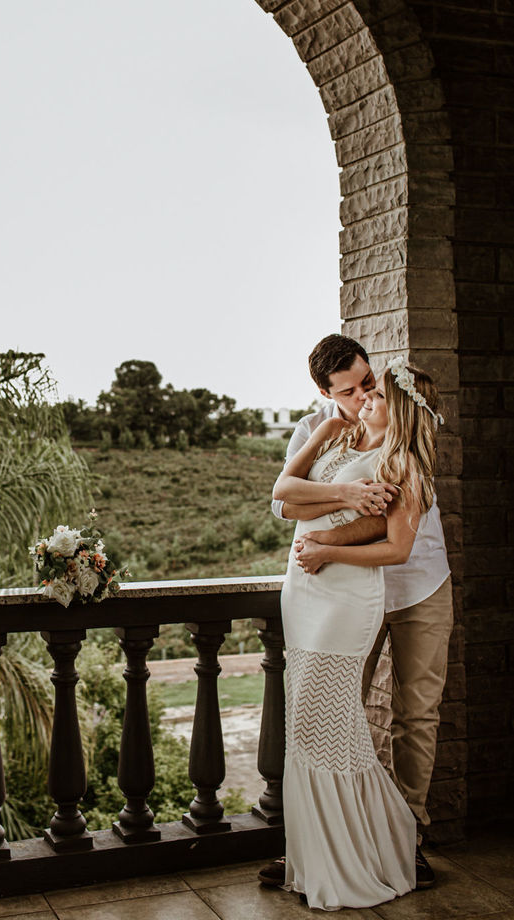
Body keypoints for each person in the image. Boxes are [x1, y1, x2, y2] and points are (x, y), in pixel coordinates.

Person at [260, 336, 452, 896]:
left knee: (416, 714)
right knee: (335, 717)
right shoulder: (316, 428)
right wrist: (339, 496)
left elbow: (391, 529)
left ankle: (406, 838)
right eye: (350, 390)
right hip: (341, 596)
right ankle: (325, 843)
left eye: (368, 383)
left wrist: (324, 540)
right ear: (325, 392)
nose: (363, 394)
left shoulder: (406, 439)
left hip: (419, 586)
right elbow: (283, 502)